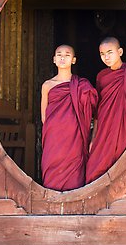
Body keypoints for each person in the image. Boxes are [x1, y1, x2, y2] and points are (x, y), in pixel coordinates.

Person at [85, 36, 126, 184]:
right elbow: (98, 109)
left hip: (125, 126)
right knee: (94, 168)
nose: (106, 57)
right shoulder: (102, 76)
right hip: (104, 128)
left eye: (110, 52)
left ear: (120, 51)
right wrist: (94, 137)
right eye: (102, 54)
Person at [40, 44, 98, 191]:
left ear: (73, 60)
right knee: (51, 167)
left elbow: (93, 111)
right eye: (59, 54)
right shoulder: (47, 85)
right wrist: (54, 130)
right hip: (54, 136)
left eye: (67, 55)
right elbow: (44, 115)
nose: (62, 57)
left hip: (75, 136)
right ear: (54, 59)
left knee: (74, 176)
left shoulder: (81, 85)